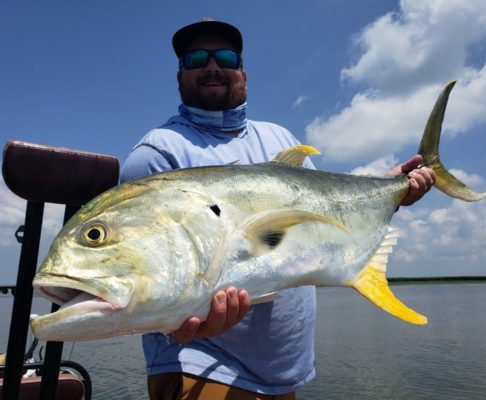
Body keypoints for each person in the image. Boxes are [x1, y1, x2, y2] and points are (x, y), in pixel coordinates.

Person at [120, 19, 435, 400]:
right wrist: (183, 325)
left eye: (225, 57)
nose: (212, 66)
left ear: (243, 73)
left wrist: (391, 190)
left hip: (283, 375)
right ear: (180, 76)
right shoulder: (160, 153)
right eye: (197, 58)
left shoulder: (279, 138)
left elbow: (330, 217)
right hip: (204, 367)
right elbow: (142, 282)